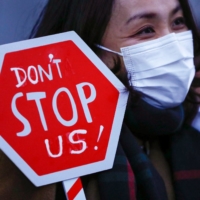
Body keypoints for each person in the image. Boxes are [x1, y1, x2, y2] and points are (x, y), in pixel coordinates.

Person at [0, 0, 200, 199]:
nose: (174, 43)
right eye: (146, 30)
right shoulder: (35, 158)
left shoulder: (190, 138)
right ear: (89, 48)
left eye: (178, 22)